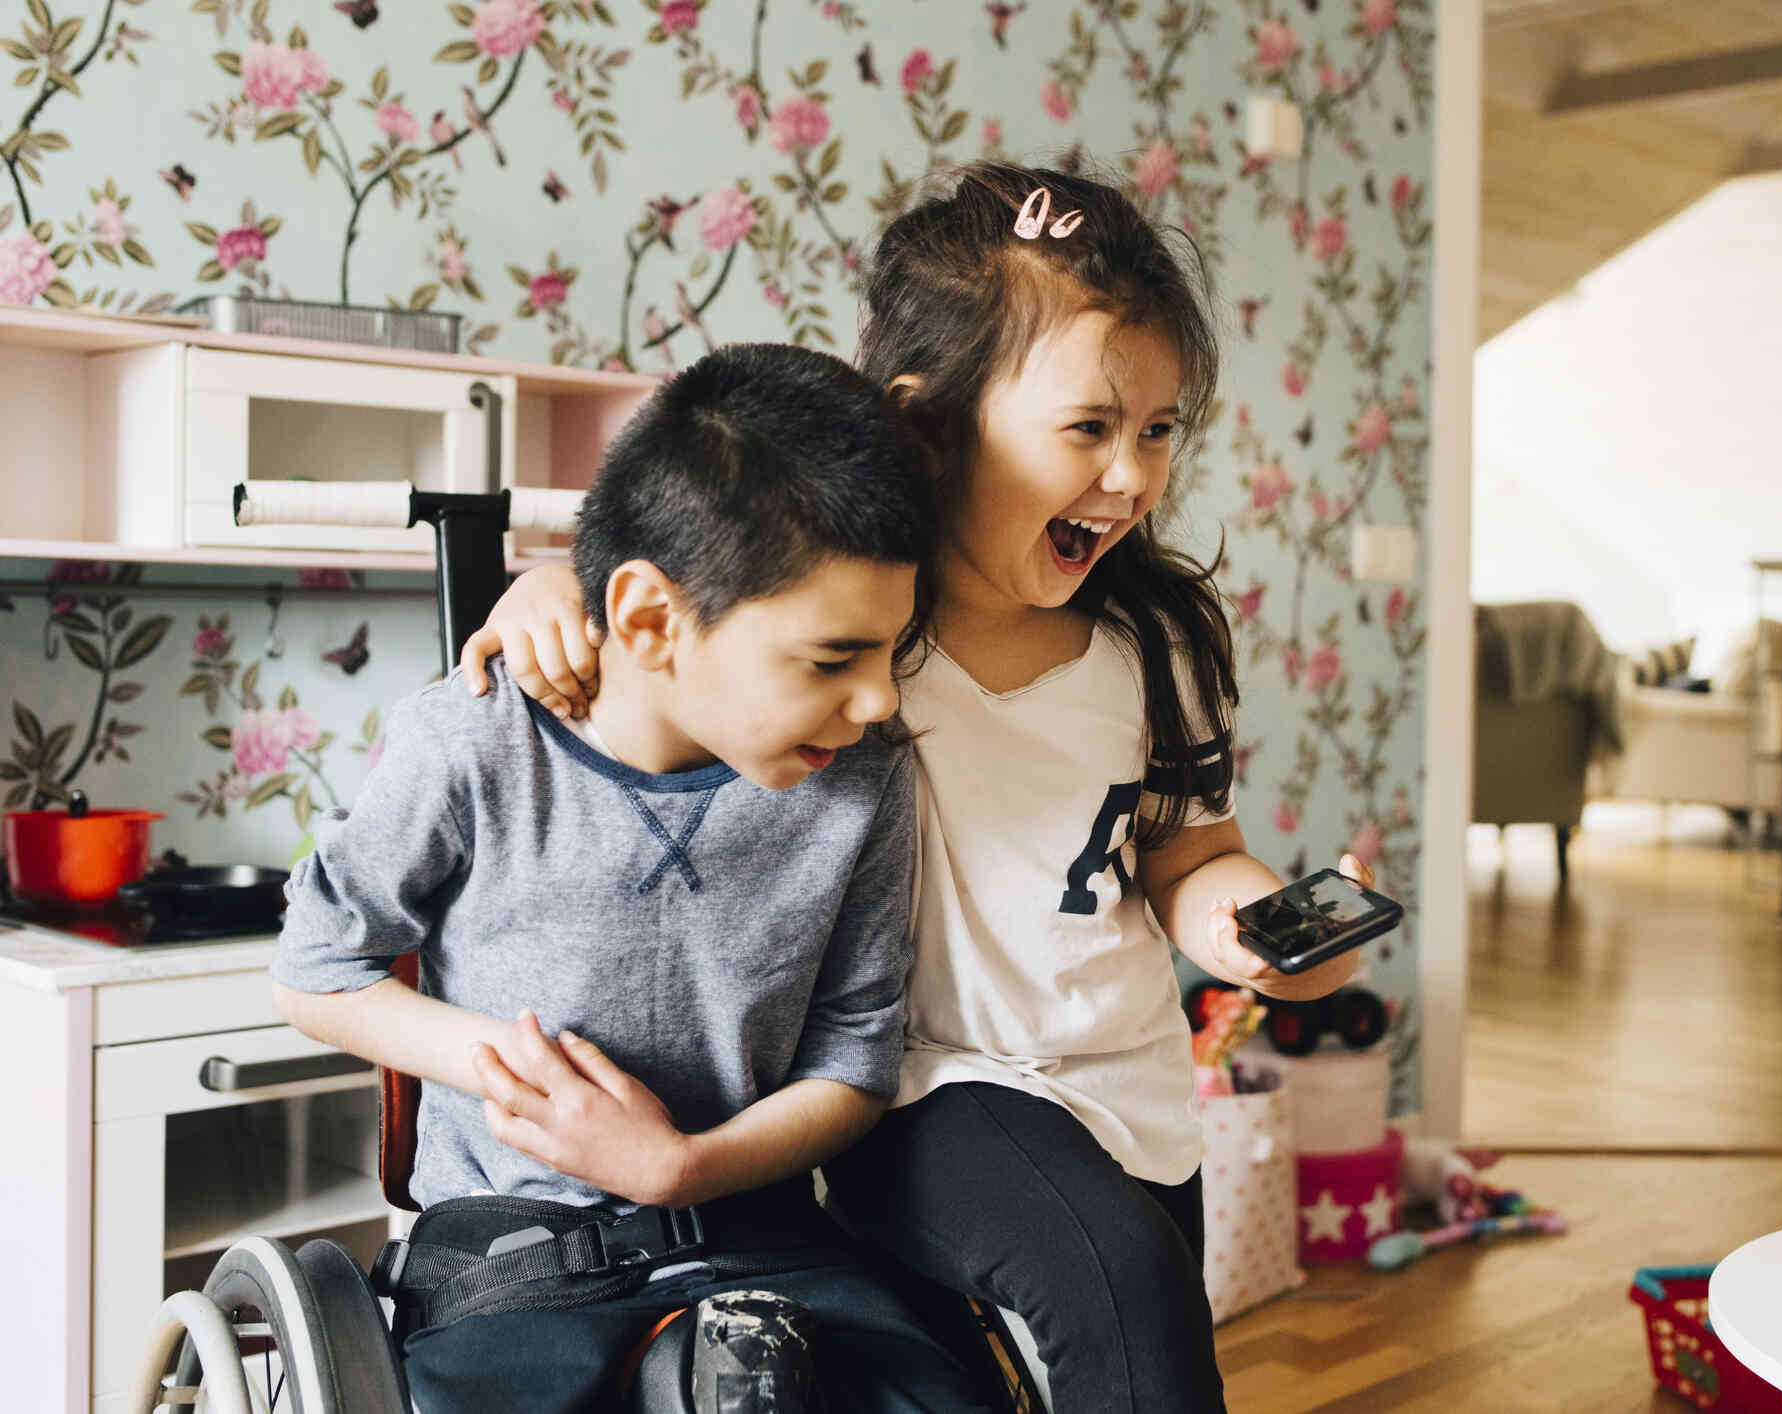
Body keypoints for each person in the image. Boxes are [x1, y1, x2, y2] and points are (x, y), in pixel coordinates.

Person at [462, 162, 1378, 1413]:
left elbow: (1183, 853)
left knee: (1123, 1349)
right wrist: (548, 590)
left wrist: (1259, 938)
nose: (1132, 477)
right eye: (1090, 428)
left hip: (1128, 1084)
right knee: (1121, 1292)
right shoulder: (855, 627)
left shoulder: (1151, 643)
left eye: (1159, 430)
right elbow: (683, 586)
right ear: (929, 423)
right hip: (920, 1085)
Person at [270, 343, 994, 1414]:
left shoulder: (863, 784)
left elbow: (854, 1061)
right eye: (835, 658)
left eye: (893, 651)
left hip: (762, 1230)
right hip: (516, 1252)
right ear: (652, 620)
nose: (881, 699)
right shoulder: (477, 740)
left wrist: (678, 1168)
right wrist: (524, 1076)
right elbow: (313, 970)